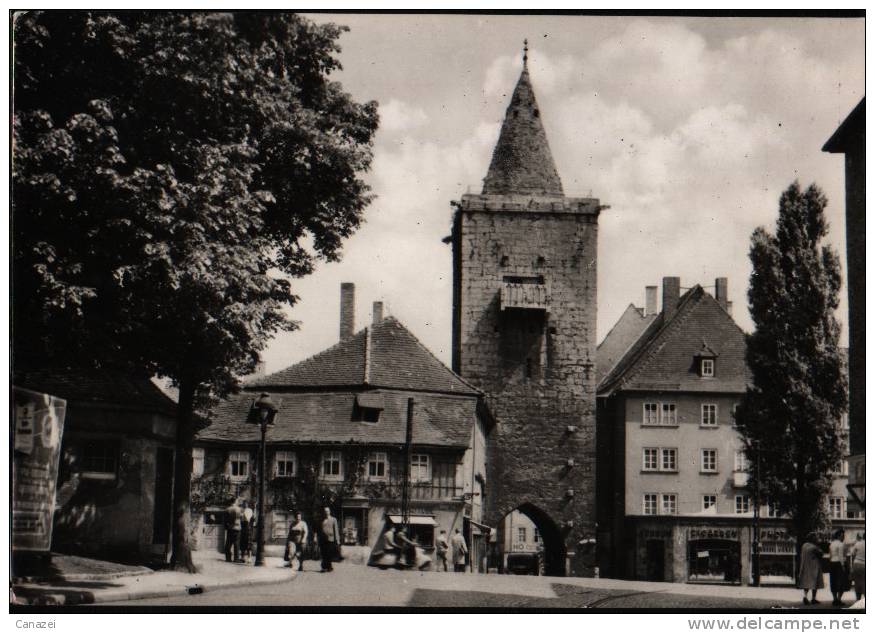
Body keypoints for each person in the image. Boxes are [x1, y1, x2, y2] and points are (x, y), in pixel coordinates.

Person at [798, 532, 824, 605]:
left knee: (807, 582)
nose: (817, 539)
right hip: (814, 566)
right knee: (815, 583)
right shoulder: (814, 547)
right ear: (813, 539)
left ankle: (805, 596)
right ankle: (813, 598)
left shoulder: (804, 545)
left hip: (806, 566)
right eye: (816, 537)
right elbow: (821, 553)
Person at [318, 506, 341, 572]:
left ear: (329, 512)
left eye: (327, 511)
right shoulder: (322, 520)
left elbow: (336, 530)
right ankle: (326, 567)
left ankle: (327, 567)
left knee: (329, 553)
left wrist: (338, 540)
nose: (326, 512)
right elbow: (320, 530)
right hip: (323, 539)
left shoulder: (333, 519)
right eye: (325, 511)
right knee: (323, 553)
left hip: (331, 539)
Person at [829, 529, 848, 606]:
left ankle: (834, 599)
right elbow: (840, 556)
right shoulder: (841, 544)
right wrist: (843, 566)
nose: (843, 537)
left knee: (833, 581)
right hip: (839, 564)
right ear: (839, 535)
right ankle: (839, 599)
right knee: (841, 581)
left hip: (832, 563)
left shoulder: (831, 544)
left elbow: (830, 555)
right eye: (843, 535)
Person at [224, 497, 242, 563]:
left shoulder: (227, 509)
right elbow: (241, 518)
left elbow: (225, 520)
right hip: (237, 528)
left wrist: (226, 527)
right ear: (235, 501)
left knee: (228, 543)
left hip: (230, 527)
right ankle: (236, 558)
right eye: (237, 501)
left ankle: (228, 558)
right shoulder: (239, 509)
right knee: (236, 544)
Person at [850, 532, 865, 601]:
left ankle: (858, 600)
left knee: (857, 583)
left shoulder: (858, 543)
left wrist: (852, 566)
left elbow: (852, 555)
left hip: (856, 564)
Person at [239, 500, 254, 564]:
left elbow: (249, 518)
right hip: (242, 527)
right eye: (243, 504)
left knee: (248, 543)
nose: (244, 505)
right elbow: (240, 518)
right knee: (242, 542)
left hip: (248, 526)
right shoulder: (241, 510)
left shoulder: (249, 510)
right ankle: (242, 557)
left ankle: (249, 557)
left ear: (247, 504)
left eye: (245, 504)